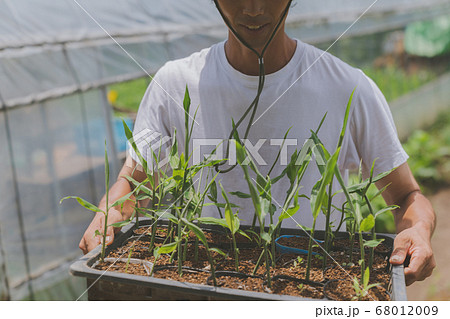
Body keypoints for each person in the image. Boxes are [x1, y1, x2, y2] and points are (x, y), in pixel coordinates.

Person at [79, 0, 435, 286]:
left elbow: (406, 197)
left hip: (317, 288)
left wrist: (418, 230)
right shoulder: (175, 84)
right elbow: (134, 185)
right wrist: (109, 211)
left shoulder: (348, 88)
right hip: (205, 286)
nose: (252, 9)